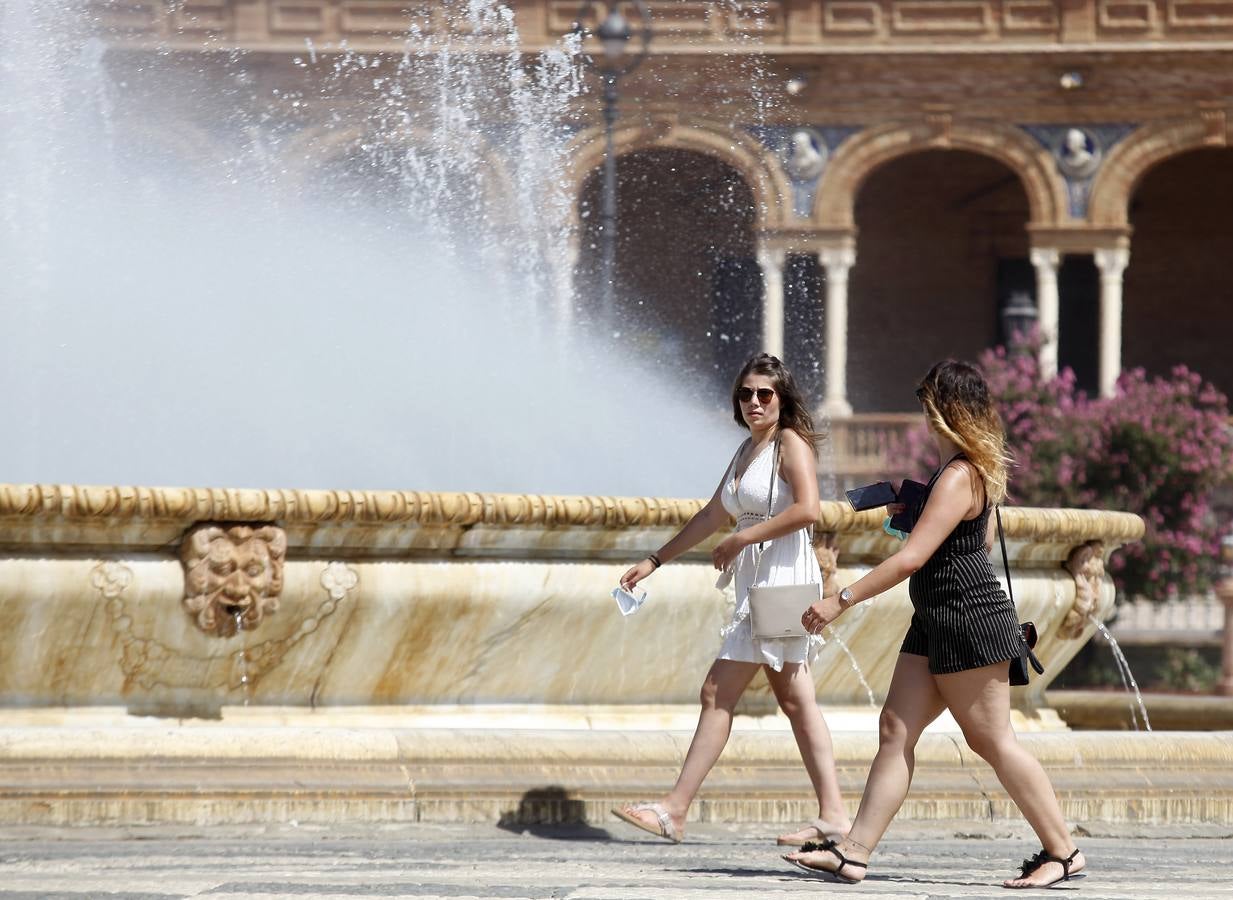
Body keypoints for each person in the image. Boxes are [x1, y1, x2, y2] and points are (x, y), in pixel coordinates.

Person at [785, 359, 1086, 889]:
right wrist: (921, 509)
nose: (922, 415)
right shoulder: (971, 473)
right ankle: (853, 853)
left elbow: (910, 560)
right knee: (895, 731)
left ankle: (1063, 853)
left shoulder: (959, 475)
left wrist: (841, 599)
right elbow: (979, 543)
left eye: (927, 404)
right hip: (936, 618)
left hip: (969, 621)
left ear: (941, 412)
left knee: (992, 740)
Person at [612, 353, 850, 847]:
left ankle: (675, 810)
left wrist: (744, 539)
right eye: (745, 394)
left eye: (764, 394)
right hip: (758, 584)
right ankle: (833, 816)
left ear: (782, 400)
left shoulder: (790, 444)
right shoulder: (746, 450)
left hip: (783, 576)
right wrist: (655, 561)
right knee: (791, 698)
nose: (754, 402)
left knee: (728, 692)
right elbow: (710, 515)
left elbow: (809, 509)